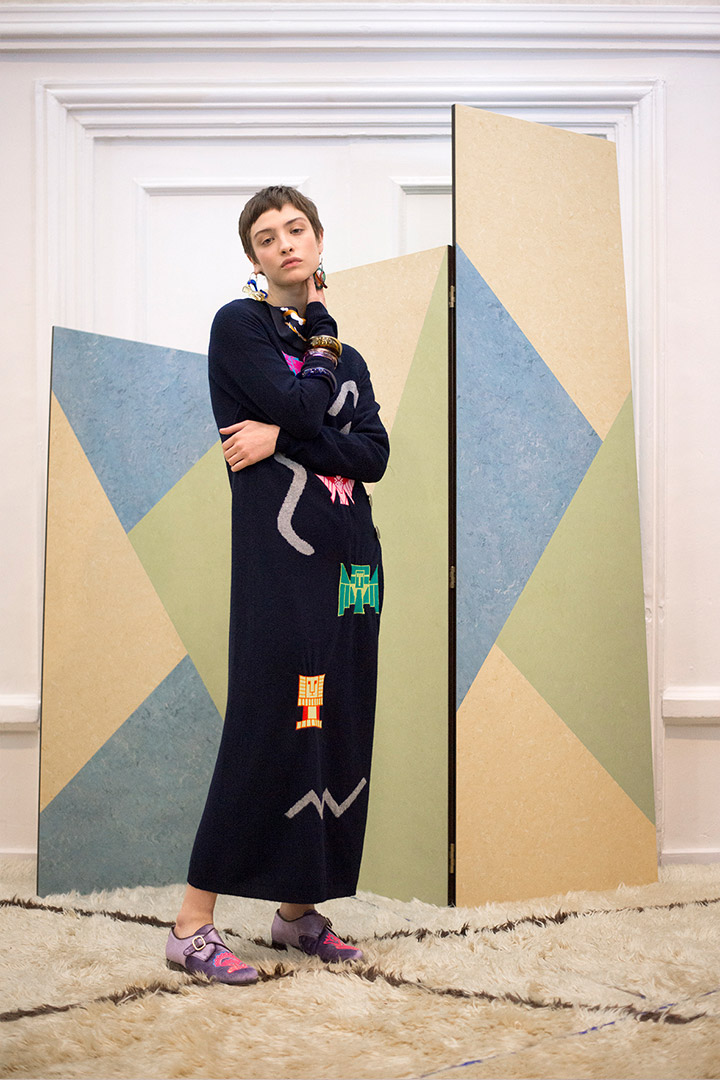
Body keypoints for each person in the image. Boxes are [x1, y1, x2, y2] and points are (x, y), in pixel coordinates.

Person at [165, 187, 389, 985]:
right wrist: (318, 334)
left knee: (336, 725)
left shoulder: (350, 362)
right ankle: (190, 926)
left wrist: (283, 437)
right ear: (254, 258)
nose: (285, 243)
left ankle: (297, 913)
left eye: (296, 229)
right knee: (269, 723)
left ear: (318, 238)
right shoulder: (241, 326)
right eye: (267, 237)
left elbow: (374, 456)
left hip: (355, 571)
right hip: (284, 564)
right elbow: (302, 400)